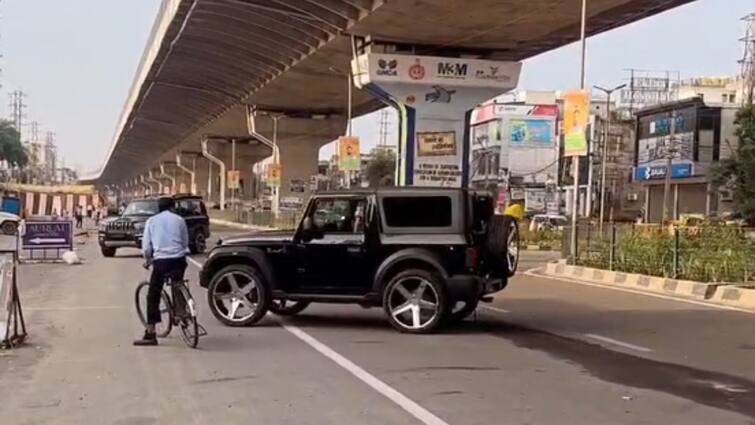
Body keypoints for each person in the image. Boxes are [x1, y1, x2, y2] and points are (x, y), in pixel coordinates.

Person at [134, 197, 189, 346]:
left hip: (161, 262)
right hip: (178, 260)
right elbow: (185, 242)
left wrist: (148, 259)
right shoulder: (179, 220)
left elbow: (146, 247)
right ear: (172, 207)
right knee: (178, 283)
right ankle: (183, 312)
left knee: (153, 295)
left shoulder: (152, 221)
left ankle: (150, 333)